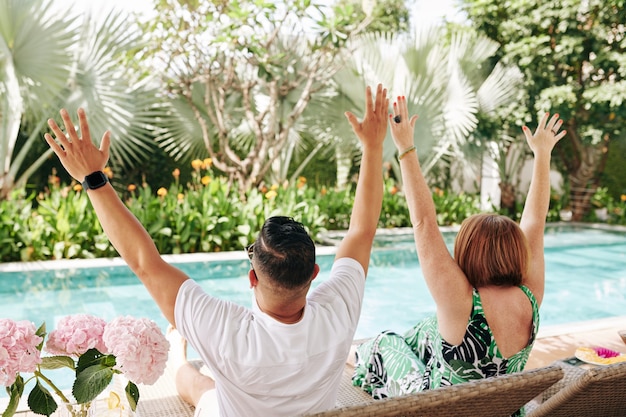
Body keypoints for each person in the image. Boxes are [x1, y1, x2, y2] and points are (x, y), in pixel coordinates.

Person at [44, 83, 389, 417]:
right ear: (314, 274)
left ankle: (179, 356)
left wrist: (92, 176)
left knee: (202, 389)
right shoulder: (338, 310)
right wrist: (373, 147)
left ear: (252, 276)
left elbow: (144, 262)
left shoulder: (224, 330)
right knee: (209, 389)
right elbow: (362, 231)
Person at [352, 96, 566, 409]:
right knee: (429, 329)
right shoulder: (530, 296)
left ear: (467, 253)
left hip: (439, 409)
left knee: (385, 342)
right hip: (500, 410)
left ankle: (360, 361)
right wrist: (543, 154)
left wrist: (405, 148)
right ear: (517, 250)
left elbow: (424, 223)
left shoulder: (460, 303)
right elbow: (535, 221)